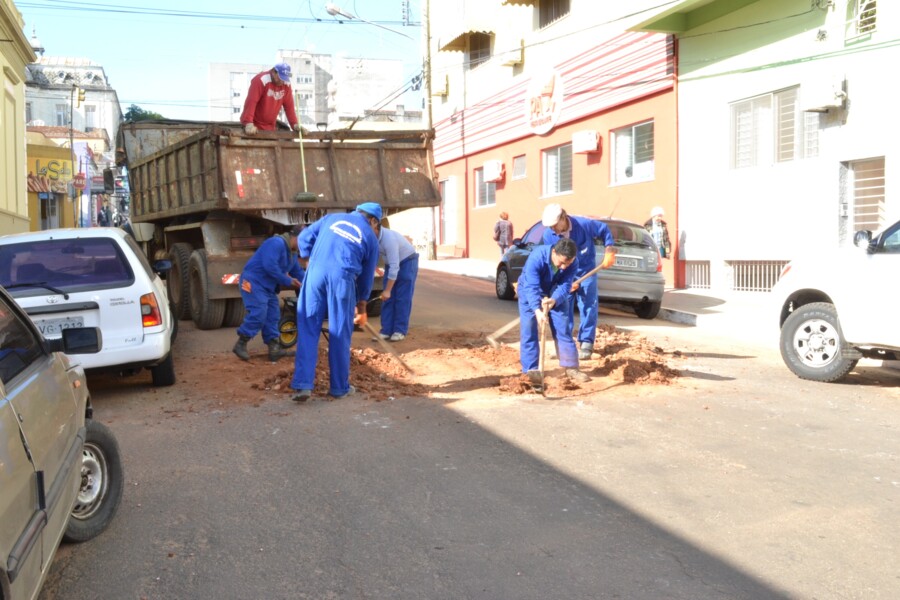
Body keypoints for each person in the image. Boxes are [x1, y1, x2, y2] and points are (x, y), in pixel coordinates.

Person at [290, 203, 381, 401]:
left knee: (308, 328)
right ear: (373, 220)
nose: (376, 229)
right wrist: (362, 304)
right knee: (339, 332)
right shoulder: (371, 239)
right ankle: (339, 388)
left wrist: (306, 257)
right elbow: (367, 277)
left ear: (357, 212)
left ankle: (303, 386)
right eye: (377, 226)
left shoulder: (331, 218)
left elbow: (304, 237)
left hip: (315, 274)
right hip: (342, 278)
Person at [541, 203, 617, 360]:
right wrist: (563, 280)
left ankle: (586, 343)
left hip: (587, 272)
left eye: (555, 225)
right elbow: (553, 261)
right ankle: (565, 346)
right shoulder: (549, 235)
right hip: (565, 274)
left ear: (563, 217)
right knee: (563, 309)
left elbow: (604, 230)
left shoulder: (583, 225)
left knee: (588, 306)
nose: (553, 229)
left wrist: (609, 249)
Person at [518, 237, 589, 393]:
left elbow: (565, 285)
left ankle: (570, 367)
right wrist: (537, 310)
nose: (563, 267)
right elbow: (532, 287)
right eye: (561, 262)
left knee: (563, 327)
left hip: (554, 292)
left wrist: (554, 300)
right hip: (529, 291)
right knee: (529, 328)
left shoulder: (572, 262)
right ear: (554, 252)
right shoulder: (537, 257)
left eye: (567, 263)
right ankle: (530, 370)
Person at [233, 227, 305, 362]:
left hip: (268, 286)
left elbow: (298, 272)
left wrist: (310, 282)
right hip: (253, 282)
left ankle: (274, 349)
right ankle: (241, 344)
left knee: (273, 315)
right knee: (259, 312)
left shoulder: (292, 253)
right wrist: (288, 281)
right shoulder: (275, 244)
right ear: (295, 237)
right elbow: (270, 267)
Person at [377, 221, 419, 342]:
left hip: (407, 261)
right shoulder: (372, 237)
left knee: (402, 298)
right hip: (390, 263)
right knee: (387, 299)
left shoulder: (388, 239)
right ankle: (386, 330)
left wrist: (388, 290)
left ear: (374, 224)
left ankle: (400, 330)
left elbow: (395, 266)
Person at [240, 63, 301, 134]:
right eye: (280, 78)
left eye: (284, 79)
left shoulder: (286, 84)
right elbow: (251, 102)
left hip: (270, 128)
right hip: (253, 127)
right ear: (274, 72)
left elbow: (289, 106)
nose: (282, 81)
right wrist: (248, 123)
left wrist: (295, 124)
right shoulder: (260, 80)